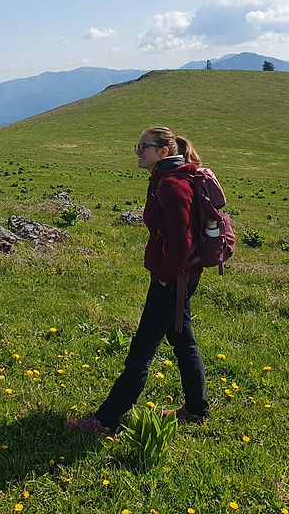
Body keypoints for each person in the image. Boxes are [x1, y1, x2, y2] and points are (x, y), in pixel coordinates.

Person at [69, 126, 210, 434]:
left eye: (143, 146)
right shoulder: (165, 178)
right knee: (181, 339)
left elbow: (182, 242)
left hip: (172, 280)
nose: (137, 151)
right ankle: (197, 408)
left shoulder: (172, 185)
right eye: (138, 145)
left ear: (162, 152)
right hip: (179, 278)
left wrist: (164, 277)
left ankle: (106, 420)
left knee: (142, 351)